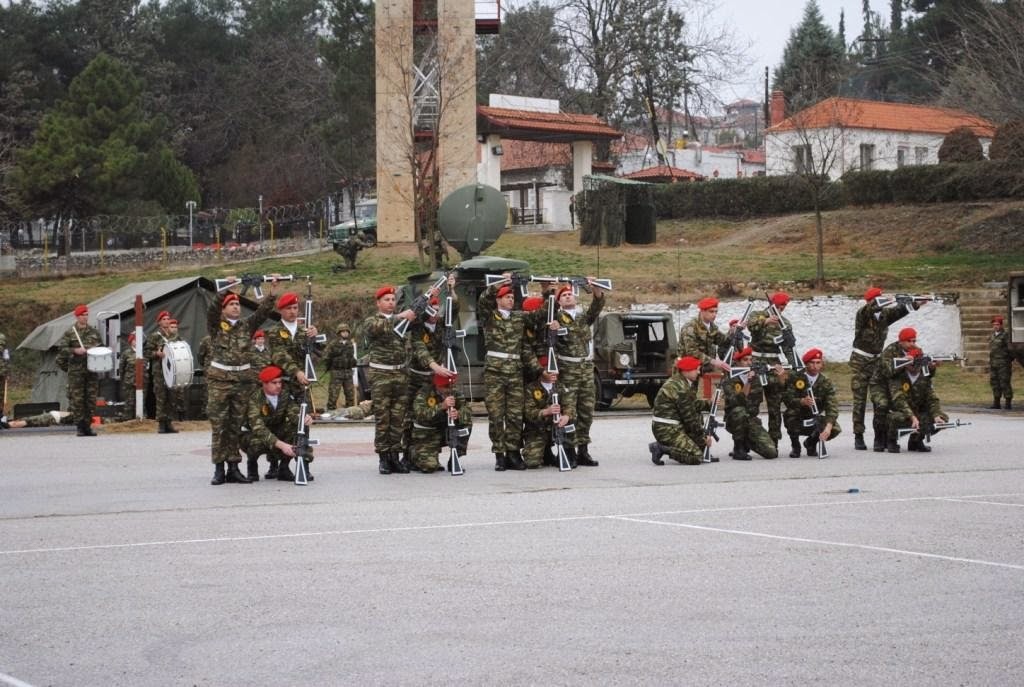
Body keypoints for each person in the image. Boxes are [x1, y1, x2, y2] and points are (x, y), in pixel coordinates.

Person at [206, 286, 277, 486]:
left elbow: (262, 314)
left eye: (238, 304)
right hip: (220, 382)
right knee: (220, 426)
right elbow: (211, 310)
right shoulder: (217, 325)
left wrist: (271, 295)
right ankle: (219, 469)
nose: (236, 307)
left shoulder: (246, 325)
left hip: (242, 382)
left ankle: (234, 467)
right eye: (232, 304)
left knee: (235, 427)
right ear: (224, 308)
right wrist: (222, 291)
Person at [477, 281, 541, 471]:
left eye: (513, 297)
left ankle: (513, 452)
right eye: (507, 297)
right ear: (498, 299)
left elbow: (539, 315)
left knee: (514, 415)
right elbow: (483, 300)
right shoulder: (490, 316)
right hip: (495, 373)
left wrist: (548, 293)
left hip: (514, 371)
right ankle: (499, 454)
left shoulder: (518, 318)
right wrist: (498, 284)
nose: (511, 300)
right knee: (496, 415)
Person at [848, 286, 921, 450]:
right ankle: (858, 435)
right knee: (859, 400)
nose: (881, 301)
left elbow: (901, 311)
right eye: (877, 299)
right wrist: (891, 298)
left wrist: (916, 303)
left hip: (877, 362)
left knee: (879, 399)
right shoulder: (863, 314)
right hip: (860, 361)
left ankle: (879, 435)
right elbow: (872, 308)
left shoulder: (884, 316)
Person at [548, 281, 606, 466]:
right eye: (563, 295)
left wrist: (596, 290)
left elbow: (596, 308)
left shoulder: (582, 318)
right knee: (569, 411)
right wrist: (552, 328)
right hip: (568, 371)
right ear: (559, 301)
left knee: (586, 411)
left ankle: (583, 450)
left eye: (570, 294)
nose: (567, 296)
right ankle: (568, 451)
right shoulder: (555, 317)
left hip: (586, 370)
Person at [363, 285, 415, 475]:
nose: (391, 302)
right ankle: (383, 458)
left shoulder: (402, 320)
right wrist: (401, 316)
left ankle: (395, 456)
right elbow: (378, 328)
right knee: (383, 418)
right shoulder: (372, 321)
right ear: (378, 303)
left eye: (393, 299)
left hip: (400, 374)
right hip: (381, 375)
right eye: (386, 300)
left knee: (398, 418)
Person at [241, 365, 314, 482]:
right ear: (264, 383)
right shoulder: (254, 399)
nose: (278, 386)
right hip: (253, 434)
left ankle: (284, 468)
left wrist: (303, 417)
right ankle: (252, 466)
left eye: (280, 382)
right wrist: (282, 445)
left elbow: (293, 411)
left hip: (275, 430)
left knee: (297, 426)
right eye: (274, 383)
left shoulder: (284, 395)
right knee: (254, 442)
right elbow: (258, 428)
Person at [746, 292, 795, 447]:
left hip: (775, 363)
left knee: (775, 404)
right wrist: (766, 321)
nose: (782, 309)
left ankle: (774, 440)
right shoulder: (758, 315)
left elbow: (788, 348)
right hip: (757, 362)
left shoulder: (785, 323)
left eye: (784, 306)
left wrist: (793, 367)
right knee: (753, 403)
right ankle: (748, 440)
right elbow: (750, 326)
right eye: (780, 305)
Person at [648, 356, 714, 466]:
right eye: (696, 369)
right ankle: (661, 448)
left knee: (700, 448)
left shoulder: (681, 382)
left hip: (672, 426)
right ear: (686, 371)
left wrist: (709, 404)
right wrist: (703, 438)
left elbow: (693, 405)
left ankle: (678, 447)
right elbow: (690, 419)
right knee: (696, 457)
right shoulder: (681, 388)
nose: (698, 372)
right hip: (666, 429)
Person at [869, 327, 923, 453]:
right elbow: (888, 372)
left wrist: (931, 366)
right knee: (882, 405)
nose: (913, 344)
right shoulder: (890, 351)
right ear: (901, 342)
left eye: (914, 341)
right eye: (909, 341)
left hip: (900, 383)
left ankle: (914, 439)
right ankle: (879, 437)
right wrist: (906, 361)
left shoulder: (917, 351)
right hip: (880, 384)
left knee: (916, 402)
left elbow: (920, 372)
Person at [885, 347, 948, 453]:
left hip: (917, 412)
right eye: (911, 363)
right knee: (896, 418)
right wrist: (912, 417)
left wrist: (936, 416)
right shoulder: (898, 376)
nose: (914, 367)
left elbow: (932, 398)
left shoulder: (925, 377)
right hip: (900, 411)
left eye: (917, 364)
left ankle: (916, 441)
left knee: (943, 418)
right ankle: (891, 440)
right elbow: (899, 400)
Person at [781, 348, 841, 458]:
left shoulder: (825, 382)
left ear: (822, 364)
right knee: (790, 417)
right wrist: (801, 401)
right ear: (806, 364)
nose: (815, 366)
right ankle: (795, 445)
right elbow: (786, 398)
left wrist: (828, 427)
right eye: (812, 363)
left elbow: (832, 406)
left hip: (814, 417)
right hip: (796, 415)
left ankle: (811, 443)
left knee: (835, 428)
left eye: (818, 363)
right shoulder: (796, 377)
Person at [409, 372, 472, 473]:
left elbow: (467, 409)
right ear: (437, 385)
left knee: (466, 423)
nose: (447, 390)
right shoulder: (425, 393)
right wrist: (441, 406)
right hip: (427, 433)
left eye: (449, 386)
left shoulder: (454, 392)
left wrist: (458, 414)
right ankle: (413, 452)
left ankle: (454, 459)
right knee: (429, 467)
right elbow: (420, 415)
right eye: (444, 387)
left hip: (445, 431)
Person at [721, 346, 777, 460]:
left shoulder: (756, 378)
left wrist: (780, 374)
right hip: (735, 419)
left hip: (751, 419)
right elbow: (738, 401)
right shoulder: (729, 380)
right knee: (740, 411)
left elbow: (777, 387)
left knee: (771, 452)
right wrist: (748, 382)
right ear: (737, 362)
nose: (749, 363)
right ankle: (738, 448)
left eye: (751, 360)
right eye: (745, 360)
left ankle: (747, 441)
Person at [55, 304, 103, 437]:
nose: (85, 317)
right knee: (78, 400)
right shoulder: (70, 333)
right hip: (76, 372)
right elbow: (62, 350)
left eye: (86, 315)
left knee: (90, 399)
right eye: (82, 315)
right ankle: (80, 426)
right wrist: (75, 351)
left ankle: (88, 425)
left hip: (91, 370)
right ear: (77, 316)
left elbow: (101, 348)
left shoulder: (94, 332)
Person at [522, 357, 577, 469]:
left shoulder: (560, 386)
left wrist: (566, 416)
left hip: (557, 427)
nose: (553, 373)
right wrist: (546, 412)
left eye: (555, 370)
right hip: (539, 430)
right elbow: (528, 413)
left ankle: (568, 452)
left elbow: (569, 405)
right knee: (532, 462)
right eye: (549, 370)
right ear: (542, 371)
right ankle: (546, 452)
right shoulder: (531, 388)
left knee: (571, 422)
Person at [265, 292, 317, 400]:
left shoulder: (304, 330)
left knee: (307, 414)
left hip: (302, 384)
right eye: (289, 308)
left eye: (295, 308)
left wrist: (315, 336)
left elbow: (319, 350)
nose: (292, 311)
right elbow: (279, 355)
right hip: (282, 384)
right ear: (281, 310)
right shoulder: (274, 331)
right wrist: (296, 371)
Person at [144, 310, 181, 433]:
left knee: (171, 397)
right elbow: (146, 352)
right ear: (159, 322)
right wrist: (156, 353)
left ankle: (169, 422)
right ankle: (161, 423)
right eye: (164, 319)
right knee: (161, 397)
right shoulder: (155, 336)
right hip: (159, 370)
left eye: (168, 318)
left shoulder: (174, 336)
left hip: (172, 370)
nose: (166, 321)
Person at [677, 297, 732, 374]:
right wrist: (713, 361)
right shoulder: (690, 327)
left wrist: (734, 330)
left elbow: (724, 341)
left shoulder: (712, 327)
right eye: (711, 312)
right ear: (702, 311)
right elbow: (692, 352)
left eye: (716, 312)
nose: (714, 315)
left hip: (705, 369)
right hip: (688, 370)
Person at [323, 323, 357, 411]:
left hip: (348, 373)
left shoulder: (350, 344)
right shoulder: (333, 344)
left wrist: (353, 362)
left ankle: (350, 412)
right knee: (333, 395)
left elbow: (352, 357)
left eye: (347, 331)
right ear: (339, 333)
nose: (345, 333)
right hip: (336, 373)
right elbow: (326, 356)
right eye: (343, 331)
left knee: (350, 395)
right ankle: (331, 411)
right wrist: (330, 366)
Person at [989, 315, 1013, 410]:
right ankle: (996, 403)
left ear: (1001, 325)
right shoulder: (992, 335)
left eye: (997, 324)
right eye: (994, 324)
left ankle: (1008, 403)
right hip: (993, 363)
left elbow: (1010, 349)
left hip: (1003, 364)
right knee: (994, 382)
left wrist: (1007, 360)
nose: (995, 326)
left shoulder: (1005, 335)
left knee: (1004, 382)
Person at [117, 334, 138, 421]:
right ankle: (128, 419)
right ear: (131, 342)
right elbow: (121, 367)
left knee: (141, 401)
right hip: (130, 380)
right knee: (130, 401)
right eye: (134, 340)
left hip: (142, 380)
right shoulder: (126, 353)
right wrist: (124, 379)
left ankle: (140, 419)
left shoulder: (143, 352)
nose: (136, 342)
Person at [0, 331, 9, 414]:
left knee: (2, 393)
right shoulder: (2, 336)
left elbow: (5, 355)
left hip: (2, 370)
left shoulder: (1, 337)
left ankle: (1, 413)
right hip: (2, 369)